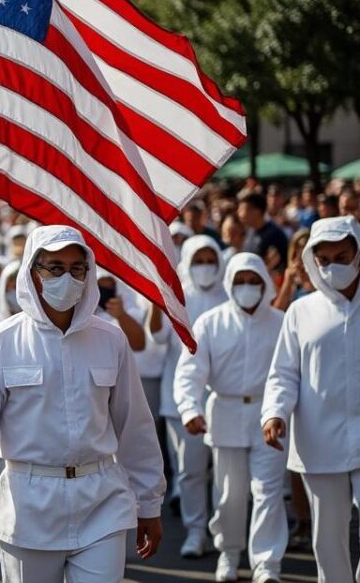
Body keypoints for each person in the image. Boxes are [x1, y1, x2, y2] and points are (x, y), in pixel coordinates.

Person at [0, 226, 165, 582]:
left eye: (76, 268)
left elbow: (136, 427)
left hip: (102, 500)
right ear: (33, 274)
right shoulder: (1, 342)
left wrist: (150, 502)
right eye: (54, 268)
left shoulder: (111, 339)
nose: (67, 277)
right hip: (29, 505)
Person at [175, 253, 286, 583]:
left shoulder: (281, 322)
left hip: (269, 415)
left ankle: (267, 564)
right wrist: (189, 408)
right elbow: (189, 372)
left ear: (265, 283)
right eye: (240, 281)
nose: (247, 288)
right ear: (230, 283)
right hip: (223, 413)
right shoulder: (210, 322)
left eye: (254, 282)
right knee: (229, 493)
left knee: (268, 491)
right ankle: (229, 553)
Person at [262, 215, 360, 583]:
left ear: (358, 254)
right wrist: (274, 414)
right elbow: (284, 372)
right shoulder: (302, 311)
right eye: (325, 259)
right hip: (321, 437)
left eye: (343, 255)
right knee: (328, 536)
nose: (335, 265)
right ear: (312, 261)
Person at [150, 234, 227, 557]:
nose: (206, 267)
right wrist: (156, 300)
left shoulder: (231, 293)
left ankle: (227, 535)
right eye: (199, 261)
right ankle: (196, 531)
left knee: (225, 473)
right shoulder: (175, 297)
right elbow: (156, 335)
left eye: (211, 261)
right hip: (179, 399)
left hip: (224, 398)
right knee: (191, 471)